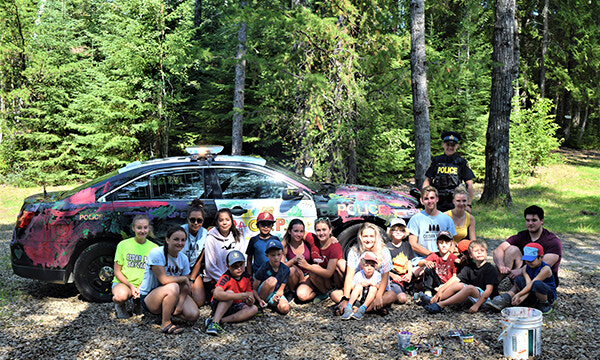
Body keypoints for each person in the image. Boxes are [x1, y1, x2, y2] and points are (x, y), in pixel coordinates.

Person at [139, 226, 199, 334]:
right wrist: (184, 279)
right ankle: (165, 322)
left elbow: (186, 285)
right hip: (150, 296)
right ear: (167, 240)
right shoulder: (157, 253)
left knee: (193, 315)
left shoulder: (183, 258)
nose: (179, 243)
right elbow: (164, 280)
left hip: (173, 294)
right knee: (173, 286)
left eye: (183, 240)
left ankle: (170, 311)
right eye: (176, 239)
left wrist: (180, 305)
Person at [331, 223, 397, 316]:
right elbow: (349, 276)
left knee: (392, 295)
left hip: (376, 289)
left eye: (371, 236)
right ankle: (372, 308)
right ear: (360, 237)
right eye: (365, 236)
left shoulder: (384, 251)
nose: (368, 239)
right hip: (358, 290)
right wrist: (345, 298)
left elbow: (384, 278)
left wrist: (378, 296)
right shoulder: (354, 251)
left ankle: (356, 309)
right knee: (335, 294)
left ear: (376, 237)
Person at [423, 239, 499, 314]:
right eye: (476, 251)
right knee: (458, 285)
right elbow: (455, 279)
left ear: (487, 253)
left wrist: (476, 305)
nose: (479, 253)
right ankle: (434, 300)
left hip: (487, 299)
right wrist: (440, 291)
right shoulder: (469, 267)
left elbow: (489, 290)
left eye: (482, 251)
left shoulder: (490, 268)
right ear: (471, 255)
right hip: (475, 295)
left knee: (469, 288)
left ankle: (441, 305)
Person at [493, 205, 562, 285]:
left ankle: (511, 294)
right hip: (520, 276)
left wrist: (520, 271)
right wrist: (501, 266)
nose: (530, 223)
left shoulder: (552, 241)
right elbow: (498, 250)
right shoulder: (521, 236)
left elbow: (541, 266)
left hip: (542, 283)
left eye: (534, 220)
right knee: (511, 249)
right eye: (527, 220)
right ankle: (492, 287)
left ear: (542, 221)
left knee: (535, 271)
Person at [489, 243, 556, 314]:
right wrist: (522, 297)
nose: (528, 262)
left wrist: (519, 294)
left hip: (547, 295)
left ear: (541, 257)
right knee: (519, 279)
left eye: (531, 260)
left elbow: (533, 284)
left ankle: (544, 303)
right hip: (532, 290)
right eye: (526, 260)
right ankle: (508, 298)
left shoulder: (545, 269)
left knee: (537, 284)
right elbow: (528, 284)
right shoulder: (525, 267)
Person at [112, 215, 158, 319]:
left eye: (145, 227)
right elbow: (117, 271)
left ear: (149, 228)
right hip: (124, 283)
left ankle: (138, 303)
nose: (142, 231)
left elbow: (153, 273)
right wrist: (131, 287)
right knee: (120, 296)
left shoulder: (154, 248)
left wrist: (140, 287)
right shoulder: (123, 245)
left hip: (144, 284)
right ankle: (120, 306)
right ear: (133, 228)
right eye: (139, 228)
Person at [206, 250, 258, 336]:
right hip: (221, 305)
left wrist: (250, 300)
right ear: (228, 266)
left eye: (241, 265)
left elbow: (250, 295)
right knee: (229, 293)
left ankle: (220, 320)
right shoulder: (226, 277)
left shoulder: (248, 278)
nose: (239, 268)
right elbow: (216, 293)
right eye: (234, 266)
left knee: (254, 309)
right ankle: (214, 323)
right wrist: (238, 296)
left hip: (236, 306)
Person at [423, 131, 475, 212]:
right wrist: (425, 198)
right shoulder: (437, 161)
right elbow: (427, 180)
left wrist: (468, 204)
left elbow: (469, 184)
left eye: (453, 145)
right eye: (447, 145)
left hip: (455, 201)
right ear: (443, 144)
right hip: (437, 201)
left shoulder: (461, 162)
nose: (450, 147)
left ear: (457, 146)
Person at [296, 218, 343, 302]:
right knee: (301, 295)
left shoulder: (334, 246)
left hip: (331, 279)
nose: (321, 233)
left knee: (314, 267)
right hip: (317, 277)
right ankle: (322, 293)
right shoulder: (313, 239)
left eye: (324, 230)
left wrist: (307, 266)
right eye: (318, 230)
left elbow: (329, 273)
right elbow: (296, 232)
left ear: (330, 230)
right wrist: (283, 244)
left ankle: (331, 291)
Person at [407, 186, 457, 264]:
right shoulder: (415, 219)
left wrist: (447, 256)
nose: (429, 201)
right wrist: (432, 255)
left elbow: (452, 243)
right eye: (426, 199)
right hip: (422, 259)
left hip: (443, 258)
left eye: (432, 198)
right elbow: (412, 244)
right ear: (421, 201)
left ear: (437, 199)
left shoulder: (447, 219)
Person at [204, 208, 248, 294]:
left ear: (231, 221)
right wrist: (225, 280)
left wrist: (235, 279)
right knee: (228, 296)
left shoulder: (238, 236)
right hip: (216, 280)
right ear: (216, 222)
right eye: (221, 220)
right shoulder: (210, 238)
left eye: (227, 220)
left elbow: (242, 260)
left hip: (235, 278)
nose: (224, 223)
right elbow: (210, 267)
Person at [413, 231, 458, 301]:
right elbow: (420, 263)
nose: (444, 245)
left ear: (451, 245)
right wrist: (426, 262)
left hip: (447, 284)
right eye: (441, 243)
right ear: (437, 244)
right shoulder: (435, 255)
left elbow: (455, 276)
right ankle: (427, 292)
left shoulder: (454, 258)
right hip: (436, 282)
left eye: (446, 243)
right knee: (428, 269)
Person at [181, 199, 208, 307]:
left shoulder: (205, 233)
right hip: (179, 269)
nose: (196, 223)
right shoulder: (180, 231)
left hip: (193, 269)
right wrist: (185, 279)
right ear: (187, 219)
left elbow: (199, 259)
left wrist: (191, 280)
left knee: (199, 302)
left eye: (199, 220)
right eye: (192, 220)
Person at [252, 239, 290, 315]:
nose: (276, 258)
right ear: (267, 256)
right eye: (273, 255)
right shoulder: (263, 268)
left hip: (274, 293)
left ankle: (272, 304)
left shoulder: (285, 269)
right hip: (262, 292)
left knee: (285, 308)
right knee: (272, 280)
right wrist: (259, 299)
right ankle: (261, 303)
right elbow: (254, 289)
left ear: (282, 254)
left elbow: (281, 289)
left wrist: (277, 297)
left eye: (278, 255)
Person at [340, 252, 382, 320]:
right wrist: (360, 284)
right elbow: (352, 286)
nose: (369, 268)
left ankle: (363, 308)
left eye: (372, 266)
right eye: (366, 265)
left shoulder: (377, 275)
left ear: (375, 267)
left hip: (370, 298)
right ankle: (349, 306)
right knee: (358, 286)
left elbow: (382, 288)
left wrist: (376, 285)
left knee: (373, 288)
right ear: (362, 266)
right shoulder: (359, 274)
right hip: (359, 297)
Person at [385, 218, 413, 304]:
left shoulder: (407, 245)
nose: (398, 232)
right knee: (402, 299)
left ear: (405, 233)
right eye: (395, 230)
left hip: (405, 276)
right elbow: (383, 267)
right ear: (390, 232)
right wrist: (393, 276)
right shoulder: (387, 247)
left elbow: (409, 261)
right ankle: (391, 295)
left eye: (401, 230)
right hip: (393, 278)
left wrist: (409, 274)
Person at [281, 219, 313, 292]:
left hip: (310, 275)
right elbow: (281, 267)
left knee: (302, 296)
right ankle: (292, 292)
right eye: (296, 231)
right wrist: (293, 260)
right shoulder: (285, 246)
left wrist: (332, 238)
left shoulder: (308, 242)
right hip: (297, 276)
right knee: (291, 269)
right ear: (289, 231)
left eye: (301, 231)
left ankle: (316, 293)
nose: (299, 234)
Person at [246, 211, 280, 277]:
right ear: (257, 225)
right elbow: (249, 259)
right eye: (263, 224)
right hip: (258, 274)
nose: (266, 227)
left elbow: (280, 257)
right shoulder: (253, 240)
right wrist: (249, 276)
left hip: (274, 274)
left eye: (268, 225)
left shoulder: (275, 239)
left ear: (272, 226)